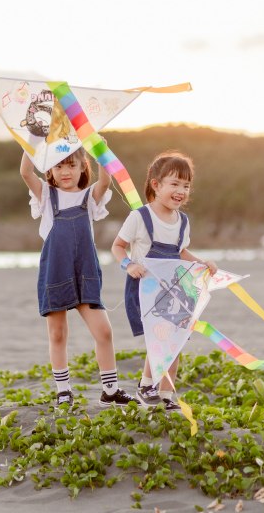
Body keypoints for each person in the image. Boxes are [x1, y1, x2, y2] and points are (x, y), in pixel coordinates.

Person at [20, 149, 136, 408]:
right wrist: (31, 142)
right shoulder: (47, 197)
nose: (65, 172)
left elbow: (106, 181)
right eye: (59, 167)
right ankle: (63, 391)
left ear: (84, 167)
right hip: (56, 271)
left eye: (71, 165)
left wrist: (100, 150)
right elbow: (26, 172)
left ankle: (110, 389)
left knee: (104, 331)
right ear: (49, 171)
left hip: (85, 272)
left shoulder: (88, 197)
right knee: (58, 333)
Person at [111, 151, 217, 411]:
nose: (181, 190)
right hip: (146, 288)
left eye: (186, 185)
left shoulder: (182, 222)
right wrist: (129, 264)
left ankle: (167, 393)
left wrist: (202, 263)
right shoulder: (140, 217)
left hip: (175, 290)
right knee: (159, 338)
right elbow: (117, 246)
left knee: (176, 339)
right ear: (156, 185)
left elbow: (180, 252)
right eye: (175, 184)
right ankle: (147, 386)